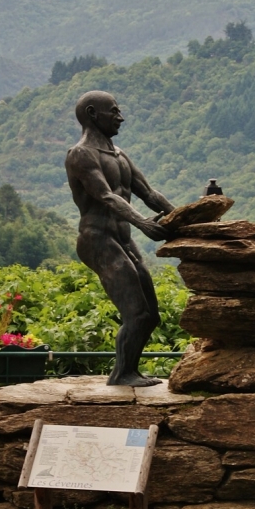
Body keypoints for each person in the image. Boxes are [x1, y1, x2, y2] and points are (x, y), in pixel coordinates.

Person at [65, 91, 174, 386]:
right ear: (91, 114)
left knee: (151, 315)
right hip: (98, 240)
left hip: (123, 238)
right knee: (136, 312)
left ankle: (130, 371)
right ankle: (123, 374)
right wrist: (142, 223)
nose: (120, 118)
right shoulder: (81, 155)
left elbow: (149, 194)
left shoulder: (120, 155)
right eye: (113, 112)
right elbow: (104, 195)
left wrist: (184, 218)